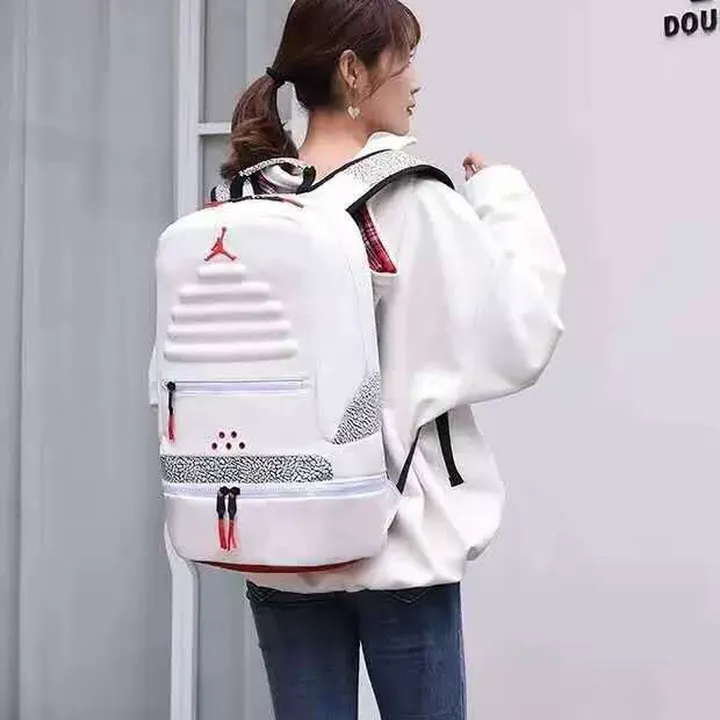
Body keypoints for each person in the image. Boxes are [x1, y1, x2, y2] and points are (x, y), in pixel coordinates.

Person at [212, 1, 565, 718]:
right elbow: (521, 331)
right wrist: (503, 196)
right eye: (403, 58)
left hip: (281, 541)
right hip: (396, 548)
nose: (415, 79)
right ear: (353, 70)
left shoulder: (241, 201)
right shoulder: (408, 197)